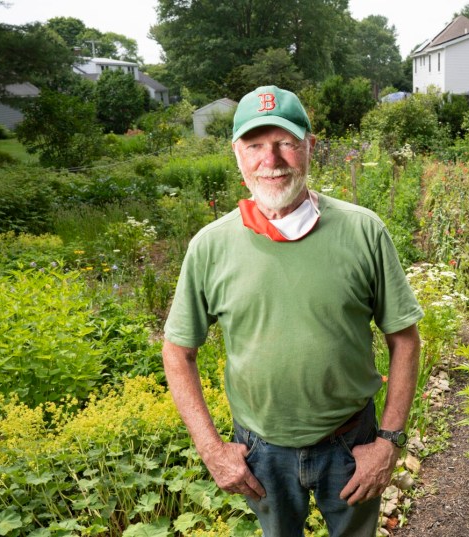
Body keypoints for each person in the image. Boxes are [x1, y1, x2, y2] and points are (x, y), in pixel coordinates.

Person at [162, 85, 423, 537]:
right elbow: (177, 350)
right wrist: (211, 449)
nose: (272, 160)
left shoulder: (363, 231)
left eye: (285, 142)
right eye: (255, 145)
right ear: (237, 154)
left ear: (310, 147)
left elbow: (405, 339)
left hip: (351, 443)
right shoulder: (211, 246)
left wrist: (388, 443)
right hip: (261, 453)